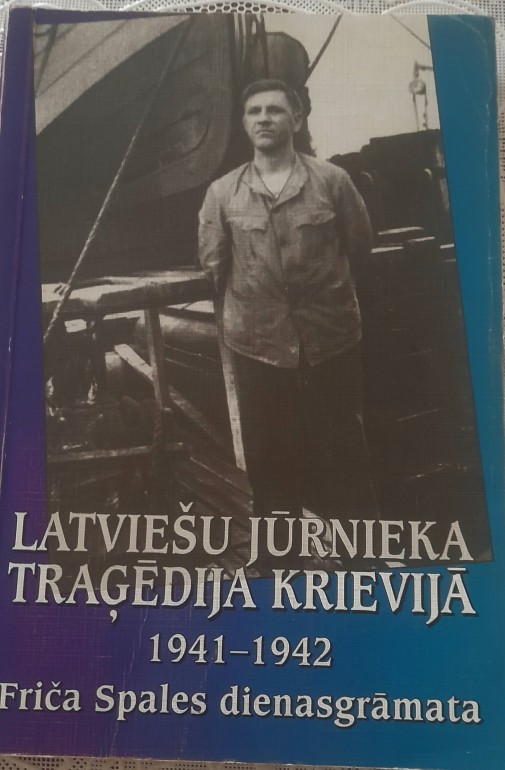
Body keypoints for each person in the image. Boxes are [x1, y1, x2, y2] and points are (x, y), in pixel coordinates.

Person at [198, 78, 377, 561]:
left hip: (331, 338)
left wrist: (327, 297)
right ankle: (280, 561)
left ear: (297, 119)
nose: (264, 118)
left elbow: (359, 246)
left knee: (343, 448)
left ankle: (361, 558)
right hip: (258, 344)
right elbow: (214, 265)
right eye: (254, 111)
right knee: (269, 458)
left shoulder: (332, 181)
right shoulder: (222, 193)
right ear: (243, 122)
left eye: (275, 110)